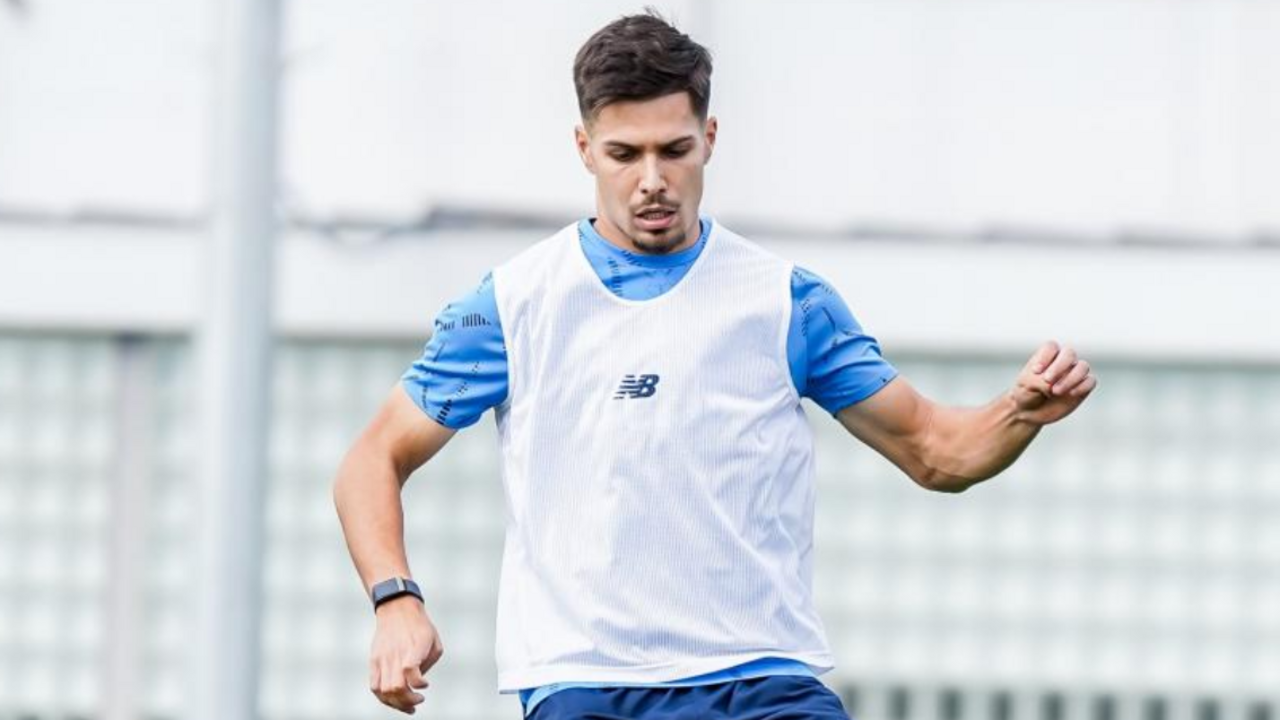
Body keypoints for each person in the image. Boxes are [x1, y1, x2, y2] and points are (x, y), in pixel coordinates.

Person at [332, 11, 1097, 720]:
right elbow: (372, 458)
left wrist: (1018, 412)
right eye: (624, 155)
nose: (652, 180)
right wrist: (395, 600)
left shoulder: (786, 302)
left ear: (711, 138)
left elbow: (935, 450)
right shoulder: (513, 303)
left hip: (764, 678)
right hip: (588, 684)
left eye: (675, 149)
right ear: (584, 149)